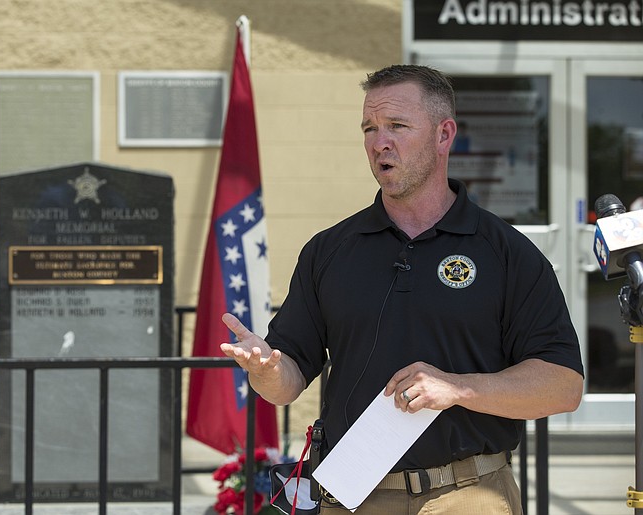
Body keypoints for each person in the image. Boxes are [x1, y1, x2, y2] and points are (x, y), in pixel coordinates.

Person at [219, 64, 584, 514]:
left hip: (470, 493)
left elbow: (563, 386)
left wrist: (457, 388)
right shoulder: (329, 251)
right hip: (353, 495)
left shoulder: (506, 253)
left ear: (443, 135)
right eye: (369, 128)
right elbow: (286, 382)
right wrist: (267, 369)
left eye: (397, 126)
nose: (379, 142)